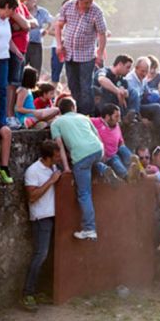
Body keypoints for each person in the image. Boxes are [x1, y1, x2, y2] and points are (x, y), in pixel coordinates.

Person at [51, 97, 120, 241]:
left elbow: (60, 147)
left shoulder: (56, 123)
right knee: (92, 163)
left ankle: (89, 229)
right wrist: (102, 155)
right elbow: (98, 137)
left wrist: (66, 167)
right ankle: (102, 168)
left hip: (81, 156)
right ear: (73, 108)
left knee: (84, 194)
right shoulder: (83, 117)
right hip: (97, 149)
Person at [20, 140, 62, 311]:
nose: (60, 158)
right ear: (47, 157)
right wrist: (51, 181)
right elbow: (32, 196)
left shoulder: (52, 168)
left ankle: (37, 291)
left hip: (52, 216)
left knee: (47, 255)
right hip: (41, 217)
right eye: (57, 156)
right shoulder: (33, 171)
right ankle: (27, 293)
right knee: (40, 255)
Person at [55, 0, 107, 116]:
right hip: (69, 53)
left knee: (86, 86)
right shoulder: (68, 6)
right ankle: (77, 111)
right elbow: (59, 25)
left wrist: (100, 53)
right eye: (85, 3)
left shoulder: (96, 11)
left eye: (90, 2)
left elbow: (102, 34)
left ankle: (87, 114)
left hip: (86, 55)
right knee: (73, 85)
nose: (88, 5)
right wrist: (58, 44)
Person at [125, 57, 160, 151]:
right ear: (136, 68)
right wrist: (140, 118)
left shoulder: (142, 79)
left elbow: (147, 92)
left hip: (142, 105)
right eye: (142, 71)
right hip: (133, 108)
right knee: (157, 108)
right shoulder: (130, 80)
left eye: (146, 72)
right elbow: (133, 102)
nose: (144, 74)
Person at [6, 0, 38, 129]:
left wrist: (24, 24)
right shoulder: (11, 5)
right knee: (11, 84)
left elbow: (34, 22)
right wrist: (23, 25)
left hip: (21, 48)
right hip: (13, 49)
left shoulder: (22, 6)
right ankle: (9, 115)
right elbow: (26, 25)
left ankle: (11, 114)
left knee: (16, 83)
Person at [92, 103, 140, 181]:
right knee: (115, 159)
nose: (119, 119)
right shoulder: (97, 122)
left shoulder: (117, 126)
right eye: (116, 116)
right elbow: (84, 120)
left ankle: (134, 167)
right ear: (107, 117)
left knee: (119, 154)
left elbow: (121, 142)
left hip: (112, 155)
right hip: (100, 156)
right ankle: (129, 173)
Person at [25, 0, 53, 74]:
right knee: (21, 68)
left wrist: (46, 30)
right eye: (26, 0)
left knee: (36, 69)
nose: (27, 2)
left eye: (30, 0)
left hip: (36, 43)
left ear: (34, 1)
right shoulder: (21, 10)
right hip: (24, 43)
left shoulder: (42, 12)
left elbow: (52, 21)